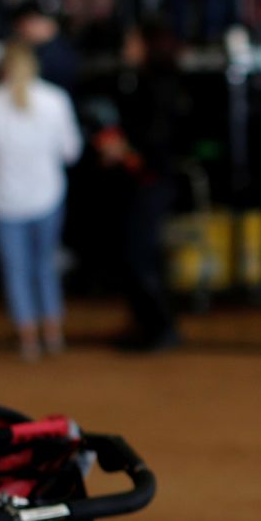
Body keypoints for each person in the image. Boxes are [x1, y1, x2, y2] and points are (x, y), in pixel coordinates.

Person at [0, 41, 82, 361]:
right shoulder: (55, 99)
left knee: (17, 269)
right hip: (48, 194)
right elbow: (71, 151)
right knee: (45, 263)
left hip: (4, 199)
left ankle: (28, 338)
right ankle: (53, 333)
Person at [96, 21, 186, 352]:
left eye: (132, 41)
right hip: (139, 183)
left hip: (153, 184)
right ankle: (146, 324)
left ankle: (161, 326)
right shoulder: (140, 83)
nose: (126, 48)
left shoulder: (161, 87)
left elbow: (160, 142)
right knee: (134, 255)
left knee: (140, 256)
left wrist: (126, 150)